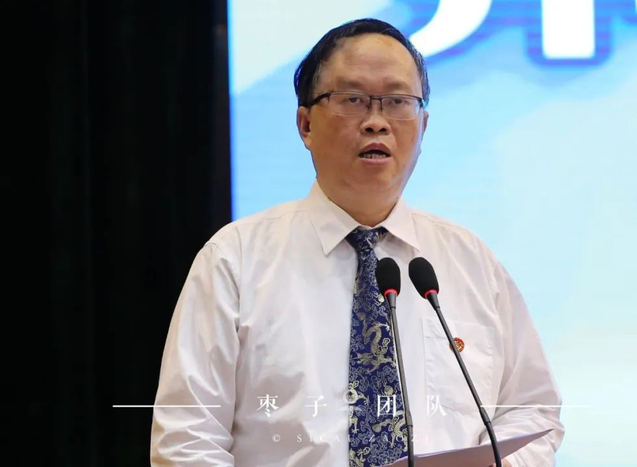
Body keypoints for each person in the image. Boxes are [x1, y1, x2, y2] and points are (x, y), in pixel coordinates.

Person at [150, 18, 564, 467]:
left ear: (423, 126)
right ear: (306, 124)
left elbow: (531, 410)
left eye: (397, 102)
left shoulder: (469, 261)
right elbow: (187, 440)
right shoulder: (235, 260)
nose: (376, 122)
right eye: (352, 99)